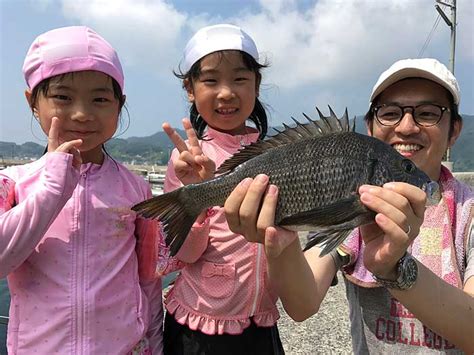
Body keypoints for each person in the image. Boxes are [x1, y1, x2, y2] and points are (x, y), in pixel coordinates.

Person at [223, 58, 474, 353]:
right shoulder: (358, 212)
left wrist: (393, 269)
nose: (406, 127)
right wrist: (280, 242)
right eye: (390, 113)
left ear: (455, 130)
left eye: (428, 113)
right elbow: (302, 304)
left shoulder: (467, 212)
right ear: (370, 127)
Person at [0, 26, 163, 354]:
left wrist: (154, 346)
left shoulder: (136, 189)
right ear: (33, 102)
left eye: (100, 99)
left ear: (120, 104)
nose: (82, 113)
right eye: (62, 96)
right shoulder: (14, 182)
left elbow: (148, 279)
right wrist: (52, 190)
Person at [157, 24, 284, 355]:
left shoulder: (277, 152)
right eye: (211, 80)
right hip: (200, 324)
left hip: (261, 320)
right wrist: (197, 195)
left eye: (240, 79)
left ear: (256, 84)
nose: (226, 92)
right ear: (190, 88)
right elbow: (186, 254)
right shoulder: (187, 160)